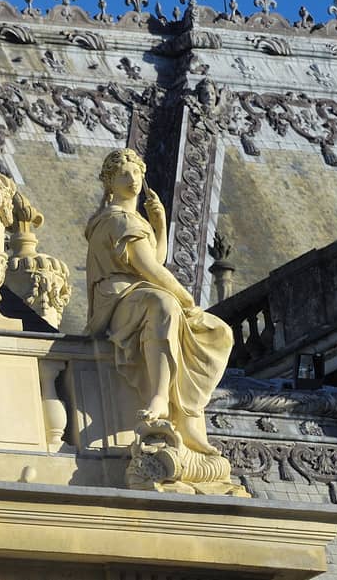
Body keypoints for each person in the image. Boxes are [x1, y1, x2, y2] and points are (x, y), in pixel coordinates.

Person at [85, 148, 232, 456]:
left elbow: (155, 259)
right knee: (164, 305)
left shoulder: (134, 221)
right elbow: (148, 269)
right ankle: (160, 398)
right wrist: (185, 295)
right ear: (109, 182)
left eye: (137, 172)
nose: (133, 178)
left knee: (217, 331)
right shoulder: (117, 220)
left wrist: (160, 225)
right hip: (118, 299)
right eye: (124, 173)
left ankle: (188, 415)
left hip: (134, 296)